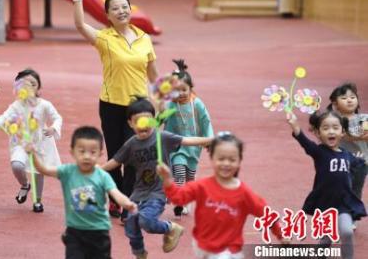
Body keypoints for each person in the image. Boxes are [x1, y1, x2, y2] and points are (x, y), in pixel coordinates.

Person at [73, 0, 158, 219]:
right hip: (111, 104)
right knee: (115, 156)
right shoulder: (104, 39)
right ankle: (114, 198)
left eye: (124, 7)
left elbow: (154, 76)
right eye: (115, 9)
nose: (121, 11)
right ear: (108, 15)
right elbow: (80, 25)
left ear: (131, 10)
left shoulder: (145, 39)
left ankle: (128, 202)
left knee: (134, 155)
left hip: (139, 108)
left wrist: (162, 103)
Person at [101, 97, 213, 259]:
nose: (144, 124)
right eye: (138, 121)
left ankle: (170, 227)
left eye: (148, 120)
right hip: (138, 192)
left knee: (146, 221)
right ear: (130, 124)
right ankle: (140, 253)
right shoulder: (131, 144)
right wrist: (97, 170)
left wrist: (210, 140)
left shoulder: (163, 138)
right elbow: (115, 161)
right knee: (131, 224)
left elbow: (187, 140)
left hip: (158, 192)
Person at [157, 133, 284, 259]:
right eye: (221, 158)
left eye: (232, 159)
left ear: (239, 161)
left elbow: (265, 213)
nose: (226, 163)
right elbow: (178, 198)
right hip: (203, 245)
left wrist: (280, 234)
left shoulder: (244, 193)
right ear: (212, 159)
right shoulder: (202, 186)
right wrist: (168, 180)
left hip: (230, 250)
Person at [29, 126, 136, 259]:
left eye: (92, 152)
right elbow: (44, 170)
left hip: (99, 232)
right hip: (74, 232)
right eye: (81, 151)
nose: (87, 156)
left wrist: (127, 203)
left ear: (100, 154)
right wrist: (32, 154)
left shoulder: (102, 176)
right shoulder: (67, 171)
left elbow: (115, 193)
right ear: (72, 152)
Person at [286, 110, 366, 259]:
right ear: (317, 133)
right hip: (325, 203)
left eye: (335, 127)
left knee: (347, 232)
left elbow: (359, 164)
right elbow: (304, 141)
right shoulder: (319, 152)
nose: (331, 131)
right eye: (326, 128)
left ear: (342, 132)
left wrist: (361, 160)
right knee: (326, 237)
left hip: (344, 203)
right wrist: (294, 125)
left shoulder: (348, 155)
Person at [0, 68, 62, 212]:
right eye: (25, 84)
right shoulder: (16, 105)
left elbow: (57, 118)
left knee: (38, 172)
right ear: (18, 87)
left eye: (33, 84)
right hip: (21, 142)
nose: (29, 87)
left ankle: (37, 201)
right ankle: (25, 184)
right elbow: (2, 119)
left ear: (39, 88)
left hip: (40, 143)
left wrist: (53, 128)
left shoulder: (45, 104)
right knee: (17, 166)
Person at [164, 59, 214, 217]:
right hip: (176, 146)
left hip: (194, 146)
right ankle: (179, 202)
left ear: (191, 88)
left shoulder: (197, 103)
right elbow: (161, 119)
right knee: (178, 172)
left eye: (184, 90)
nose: (181, 93)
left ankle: (187, 198)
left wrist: (209, 139)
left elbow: (206, 121)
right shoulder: (171, 105)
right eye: (176, 90)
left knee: (190, 176)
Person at [328, 82, 368, 200]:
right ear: (335, 104)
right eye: (344, 98)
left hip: (360, 162)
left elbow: (366, 134)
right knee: (339, 190)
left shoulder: (364, 118)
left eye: (352, 97)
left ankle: (351, 216)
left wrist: (351, 137)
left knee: (356, 190)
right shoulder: (334, 120)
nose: (349, 100)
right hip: (339, 163)